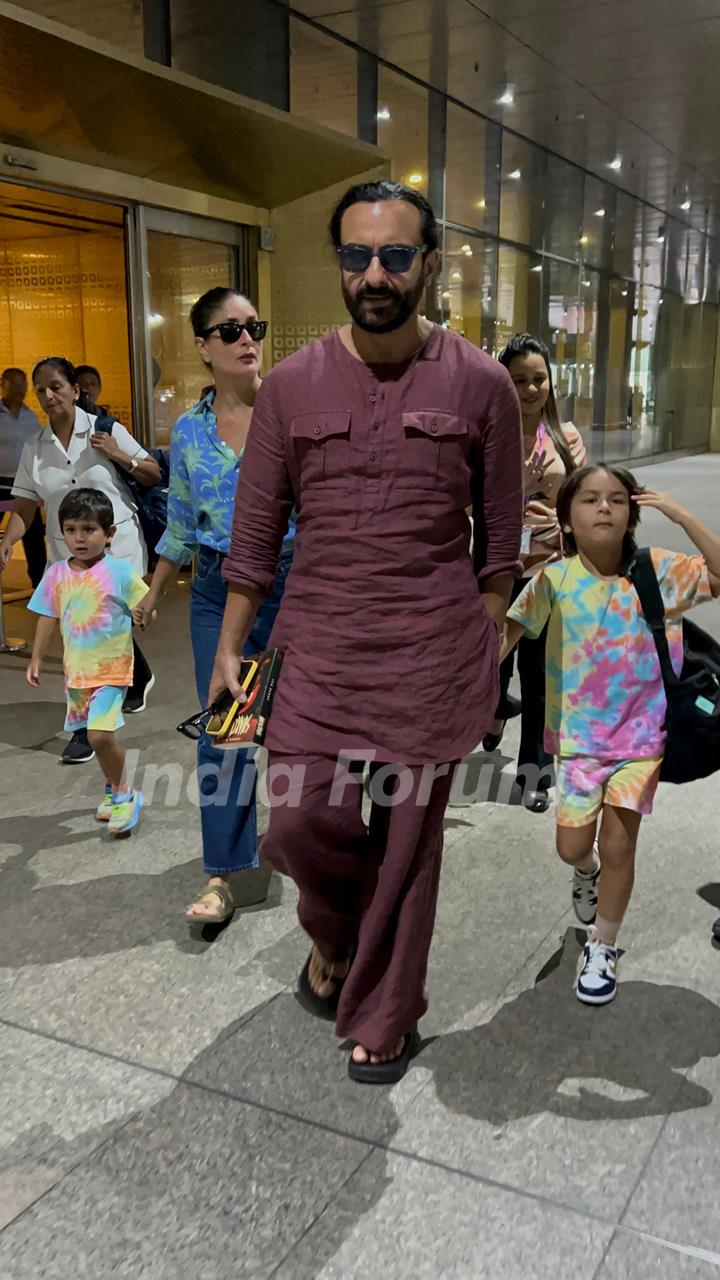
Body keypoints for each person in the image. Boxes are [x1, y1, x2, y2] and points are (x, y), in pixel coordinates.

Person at [208, 179, 523, 1083]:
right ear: (339, 264)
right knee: (305, 821)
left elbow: (499, 538)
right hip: (317, 650)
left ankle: (387, 1008)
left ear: (429, 263)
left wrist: (487, 632)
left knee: (409, 843)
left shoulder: (483, 384)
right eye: (356, 256)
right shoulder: (293, 388)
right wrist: (232, 644)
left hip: (430, 649)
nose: (374, 273)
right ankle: (338, 930)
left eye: (394, 255)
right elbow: (256, 531)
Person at [502, 465, 720, 1005]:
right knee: (573, 846)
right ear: (568, 521)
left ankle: (603, 944)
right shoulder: (552, 580)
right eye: (591, 500)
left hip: (641, 742)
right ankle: (585, 874)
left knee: (620, 845)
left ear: (632, 514)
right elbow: (506, 635)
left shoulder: (656, 572)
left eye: (618, 500)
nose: (604, 508)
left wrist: (681, 513)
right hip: (576, 744)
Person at [135, 288, 294, 925]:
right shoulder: (190, 431)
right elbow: (178, 523)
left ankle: (316, 849)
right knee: (225, 731)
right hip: (213, 592)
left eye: (253, 326)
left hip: (290, 585)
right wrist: (154, 587)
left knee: (301, 730)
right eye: (229, 332)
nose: (247, 339)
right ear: (202, 347)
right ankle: (223, 875)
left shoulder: (290, 414)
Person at [0, 357, 159, 762]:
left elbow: (153, 473)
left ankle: (105, 710)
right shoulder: (34, 449)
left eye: (56, 386)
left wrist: (119, 455)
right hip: (68, 559)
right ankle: (91, 724)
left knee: (103, 632)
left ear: (74, 388)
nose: (49, 396)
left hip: (118, 550)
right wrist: (7, 538)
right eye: (42, 390)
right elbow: (24, 504)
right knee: (87, 639)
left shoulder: (106, 430)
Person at [483, 334, 587, 813]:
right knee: (493, 660)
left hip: (548, 571)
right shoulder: (487, 434)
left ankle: (536, 775)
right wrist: (517, 489)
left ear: (551, 381)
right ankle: (494, 712)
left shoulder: (567, 438)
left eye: (537, 379)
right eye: (518, 379)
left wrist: (561, 517)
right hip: (495, 569)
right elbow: (465, 503)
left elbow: (585, 504)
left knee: (540, 674)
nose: (529, 389)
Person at [26, 488, 149, 834]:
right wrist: (36, 657)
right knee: (98, 739)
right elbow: (47, 615)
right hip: (77, 674)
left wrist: (143, 615)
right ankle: (113, 789)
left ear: (109, 533)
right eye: (70, 530)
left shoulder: (119, 572)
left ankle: (126, 794)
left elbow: (144, 603)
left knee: (98, 737)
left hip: (112, 670)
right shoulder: (56, 574)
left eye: (88, 529)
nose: (79, 538)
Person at [0, 367, 46, 588]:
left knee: (33, 536)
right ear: (3, 385)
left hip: (25, 484)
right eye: (14, 383)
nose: (20, 388)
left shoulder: (31, 417)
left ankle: (39, 584)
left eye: (23, 383)